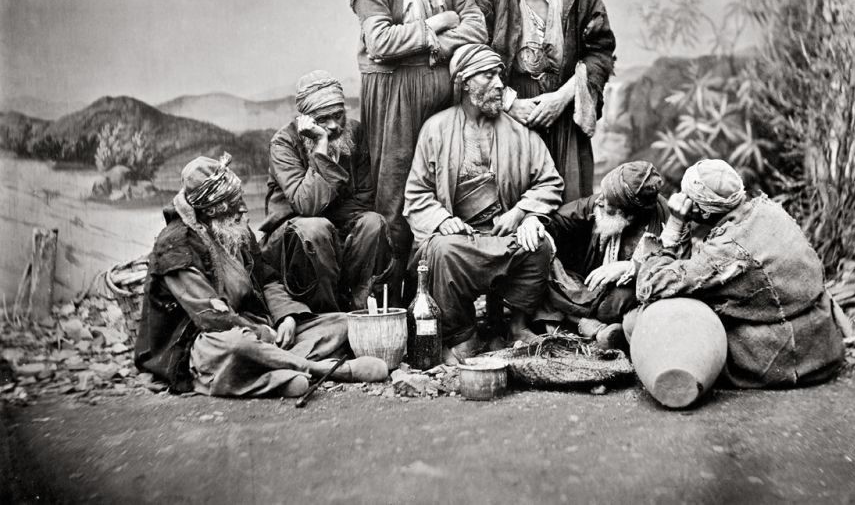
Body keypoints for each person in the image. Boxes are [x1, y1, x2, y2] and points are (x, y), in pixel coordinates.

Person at [135, 154, 388, 398]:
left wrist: (286, 317)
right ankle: (318, 369)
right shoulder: (175, 246)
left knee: (344, 323)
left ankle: (270, 374)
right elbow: (210, 316)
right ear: (211, 210)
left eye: (239, 198)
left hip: (259, 328)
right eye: (233, 203)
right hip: (206, 339)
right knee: (237, 346)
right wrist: (260, 333)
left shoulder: (235, 230)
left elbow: (267, 279)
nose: (243, 208)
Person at [350, 0, 488, 303]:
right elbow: (379, 43)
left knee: (443, 189)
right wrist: (438, 24)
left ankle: (437, 303)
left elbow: (477, 28)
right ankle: (389, 305)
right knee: (393, 199)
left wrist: (434, 45)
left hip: (444, 97)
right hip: (394, 99)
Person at [403, 44, 564, 363]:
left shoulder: (519, 132)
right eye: (488, 76)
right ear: (465, 82)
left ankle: (517, 326)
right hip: (459, 240)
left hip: (502, 236)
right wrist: (441, 220)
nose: (499, 84)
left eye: (499, 75)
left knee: (539, 245)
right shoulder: (436, 129)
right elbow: (416, 194)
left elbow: (550, 181)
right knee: (443, 251)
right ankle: (463, 336)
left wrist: (523, 213)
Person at [632, 159, 846, 389]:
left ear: (703, 211)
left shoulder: (728, 249)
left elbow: (649, 286)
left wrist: (675, 224)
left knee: (641, 319)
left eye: (686, 196)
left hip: (780, 358)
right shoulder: (768, 210)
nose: (680, 199)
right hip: (823, 348)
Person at [472, 0, 616, 202]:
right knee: (513, 206)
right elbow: (470, 54)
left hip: (563, 113)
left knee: (571, 206)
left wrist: (561, 98)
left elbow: (601, 51)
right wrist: (510, 103)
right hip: (510, 117)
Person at [260, 70, 391, 312]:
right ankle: (328, 315)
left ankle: (360, 308)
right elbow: (306, 206)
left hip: (338, 228)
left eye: (338, 115)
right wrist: (321, 149)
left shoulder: (354, 132)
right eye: (322, 119)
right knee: (315, 228)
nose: (333, 126)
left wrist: (336, 228)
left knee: (373, 223)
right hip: (294, 238)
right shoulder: (283, 143)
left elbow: (364, 199)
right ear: (306, 120)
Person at [542, 161, 669, 348]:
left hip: (627, 290)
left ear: (628, 214)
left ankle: (585, 324)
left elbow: (673, 270)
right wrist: (534, 222)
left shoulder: (667, 221)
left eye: (608, 203)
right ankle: (594, 328)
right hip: (589, 285)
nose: (600, 201)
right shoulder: (602, 201)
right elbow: (557, 220)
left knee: (618, 302)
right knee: (545, 275)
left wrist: (631, 268)